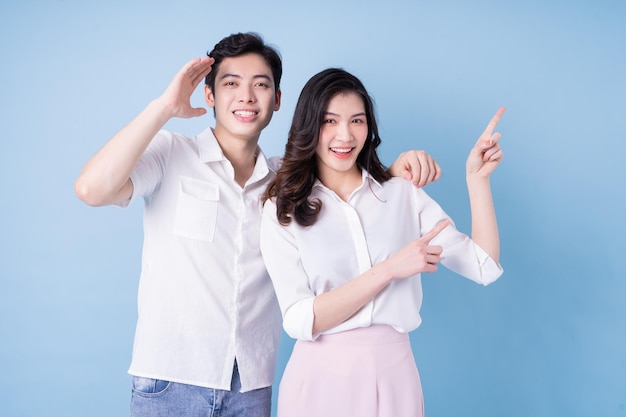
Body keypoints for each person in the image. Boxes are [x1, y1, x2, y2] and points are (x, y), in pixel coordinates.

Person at [74, 33, 441, 417]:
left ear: (277, 100)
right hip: (170, 380)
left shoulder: (288, 181)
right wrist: (164, 107)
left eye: (260, 85)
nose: (247, 97)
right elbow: (92, 189)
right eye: (231, 83)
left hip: (251, 385)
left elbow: (353, 184)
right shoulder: (171, 154)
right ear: (210, 95)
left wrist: (397, 172)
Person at [260, 68, 505, 417]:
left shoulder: (401, 194)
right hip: (318, 381)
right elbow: (299, 319)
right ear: (309, 126)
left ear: (369, 127)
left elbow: (484, 267)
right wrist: (389, 270)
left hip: (394, 376)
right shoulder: (281, 208)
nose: (344, 135)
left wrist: (476, 180)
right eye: (330, 121)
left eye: (357, 121)